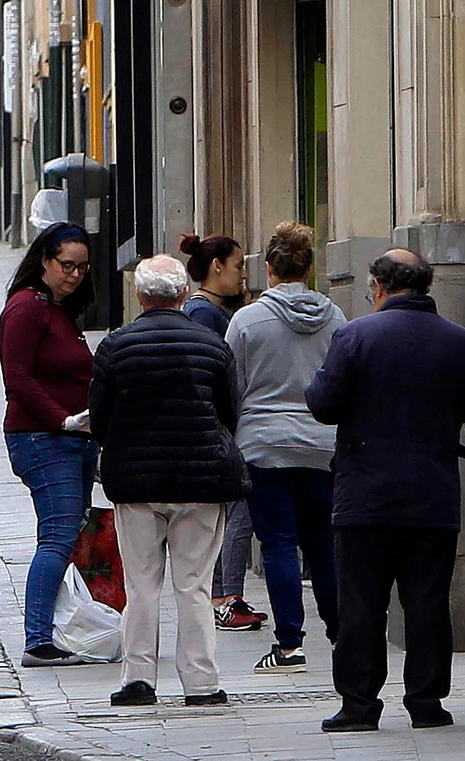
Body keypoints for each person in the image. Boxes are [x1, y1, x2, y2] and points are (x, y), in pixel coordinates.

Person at [306, 249, 465, 733]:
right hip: (432, 493)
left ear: (379, 286)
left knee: (362, 604)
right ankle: (427, 702)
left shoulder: (355, 337)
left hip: (365, 494)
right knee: (427, 601)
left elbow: (323, 404)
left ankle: (359, 705)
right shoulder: (460, 341)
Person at [89, 254, 249, 708]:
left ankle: (139, 680)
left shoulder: (116, 346)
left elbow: (100, 417)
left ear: (140, 296)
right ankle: (201, 683)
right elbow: (230, 414)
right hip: (201, 482)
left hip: (138, 484)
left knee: (141, 585)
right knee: (194, 584)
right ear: (182, 294)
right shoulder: (212, 344)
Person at [224, 222, 346, 674]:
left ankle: (289, 643)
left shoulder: (247, 320)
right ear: (309, 268)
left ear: (270, 269)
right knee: (323, 544)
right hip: (320, 444)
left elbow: (230, 385)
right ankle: (340, 634)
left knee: (277, 544)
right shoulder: (334, 318)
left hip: (263, 445)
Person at [0, 221, 100, 668]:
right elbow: (16, 378)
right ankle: (37, 639)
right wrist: (61, 417)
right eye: (66, 265)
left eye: (81, 267)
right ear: (44, 261)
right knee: (57, 538)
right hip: (44, 439)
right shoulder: (27, 309)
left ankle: (54, 630)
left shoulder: (57, 311)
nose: (74, 275)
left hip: (72, 437)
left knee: (63, 534)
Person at [177, 232, 267, 634]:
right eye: (238, 266)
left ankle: (226, 593)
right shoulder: (205, 315)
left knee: (232, 513)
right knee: (235, 513)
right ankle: (225, 596)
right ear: (217, 267)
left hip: (218, 425)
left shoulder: (213, 311)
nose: (242, 275)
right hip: (218, 426)